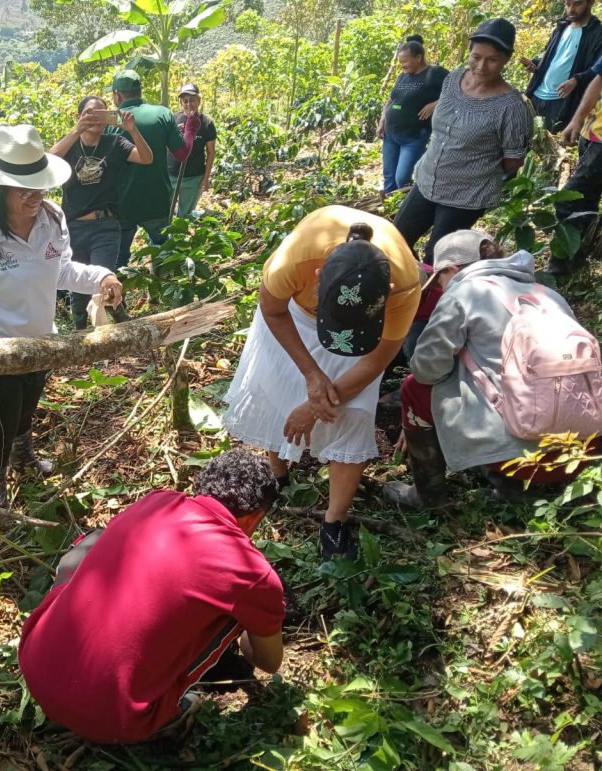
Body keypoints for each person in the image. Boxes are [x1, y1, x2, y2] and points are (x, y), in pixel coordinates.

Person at [18, 449, 284, 744]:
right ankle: (170, 710)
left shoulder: (157, 501)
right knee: (232, 610)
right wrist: (251, 625)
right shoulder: (251, 572)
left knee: (95, 539)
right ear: (255, 518)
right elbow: (269, 662)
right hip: (115, 720)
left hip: (34, 669)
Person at [0, 125, 124, 508]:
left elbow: (63, 271)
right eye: (24, 190)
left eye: (39, 187)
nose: (35, 197)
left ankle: (23, 458)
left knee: (25, 413)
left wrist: (102, 276)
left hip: (41, 343)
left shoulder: (52, 220)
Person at [222, 206, 421, 560]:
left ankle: (334, 521)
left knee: (353, 412)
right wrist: (312, 375)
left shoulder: (403, 285)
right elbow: (273, 310)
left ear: (388, 291)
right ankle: (277, 473)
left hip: (364, 333)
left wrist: (317, 405)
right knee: (279, 389)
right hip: (295, 319)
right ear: (318, 274)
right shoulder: (296, 259)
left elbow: (376, 359)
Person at [386, 231, 593, 507]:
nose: (441, 288)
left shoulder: (462, 294)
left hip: (520, 459)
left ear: (450, 270)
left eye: (440, 280)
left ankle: (429, 496)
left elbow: (426, 369)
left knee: (414, 387)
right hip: (582, 452)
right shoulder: (547, 294)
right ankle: (515, 487)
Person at [392, 18, 534, 264]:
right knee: (395, 241)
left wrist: (473, 167)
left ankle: (427, 288)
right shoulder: (453, 79)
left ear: (507, 59)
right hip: (427, 181)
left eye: (492, 60)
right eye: (476, 57)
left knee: (437, 260)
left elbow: (513, 161)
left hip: (466, 197)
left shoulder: (512, 107)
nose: (481, 66)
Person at [50, 96, 152, 329]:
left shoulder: (115, 143)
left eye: (102, 113)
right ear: (79, 116)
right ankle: (80, 331)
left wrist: (133, 130)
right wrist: (76, 131)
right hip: (73, 226)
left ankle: (119, 323)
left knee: (104, 277)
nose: (96, 118)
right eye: (90, 113)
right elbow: (48, 162)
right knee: (77, 286)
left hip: (105, 225)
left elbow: (146, 158)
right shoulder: (69, 143)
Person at [106, 69, 199, 269]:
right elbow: (182, 153)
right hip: (157, 200)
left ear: (117, 95)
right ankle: (161, 284)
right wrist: (190, 129)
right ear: (140, 91)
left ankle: (118, 287)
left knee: (119, 258)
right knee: (163, 253)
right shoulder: (162, 113)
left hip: (122, 203)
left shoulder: (112, 120)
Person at [549, 56, 602, 275]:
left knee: (569, 199)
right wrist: (578, 119)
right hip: (592, 132)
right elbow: (599, 80)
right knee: (586, 198)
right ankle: (577, 258)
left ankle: (560, 263)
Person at [377, 35, 448, 195]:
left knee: (402, 178)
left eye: (405, 61)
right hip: (391, 135)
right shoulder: (403, 76)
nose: (402, 65)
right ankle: (390, 208)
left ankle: (408, 206)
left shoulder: (435, 73)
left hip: (413, 138)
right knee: (389, 178)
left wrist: (435, 104)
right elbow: (392, 99)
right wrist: (382, 119)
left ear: (418, 58)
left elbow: (458, 91)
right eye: (400, 62)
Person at [521, 0, 602, 133]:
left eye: (577, 4)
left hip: (564, 102)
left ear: (590, 3)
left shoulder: (597, 33)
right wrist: (535, 64)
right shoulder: (562, 27)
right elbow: (550, 57)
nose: (571, 9)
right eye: (567, 4)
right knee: (526, 138)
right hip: (537, 96)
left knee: (555, 143)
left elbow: (597, 70)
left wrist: (576, 80)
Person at [169, 83, 217, 218]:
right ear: (181, 103)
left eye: (192, 100)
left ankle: (180, 231)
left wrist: (206, 178)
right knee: (164, 213)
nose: (189, 104)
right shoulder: (173, 119)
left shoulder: (206, 123)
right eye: (185, 101)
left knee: (185, 216)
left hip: (194, 177)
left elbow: (211, 153)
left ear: (199, 101)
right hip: (170, 174)